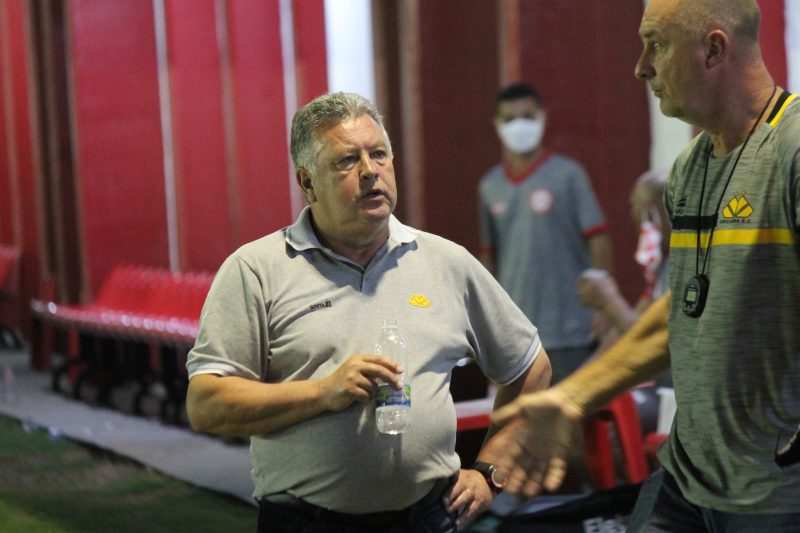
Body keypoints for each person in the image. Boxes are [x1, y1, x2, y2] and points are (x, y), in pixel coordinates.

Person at [494, 0, 800, 530]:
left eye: (656, 43)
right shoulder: (688, 170)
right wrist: (571, 397)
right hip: (687, 478)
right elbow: (679, 313)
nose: (641, 66)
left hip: (775, 493)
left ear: (713, 48)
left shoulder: (791, 151)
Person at [185, 92, 552, 532]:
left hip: (431, 519)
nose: (369, 171)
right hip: (307, 523)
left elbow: (531, 368)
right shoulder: (257, 270)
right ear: (307, 183)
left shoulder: (446, 262)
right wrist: (323, 392)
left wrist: (491, 471)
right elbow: (207, 404)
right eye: (346, 161)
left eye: (379, 155)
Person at [478, 83, 613, 384]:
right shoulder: (489, 186)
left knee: (574, 424)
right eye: (510, 119)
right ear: (497, 125)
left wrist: (603, 307)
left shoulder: (568, 175)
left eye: (527, 116)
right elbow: (488, 258)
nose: (519, 125)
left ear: (541, 118)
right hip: (517, 335)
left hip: (572, 329)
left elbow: (599, 239)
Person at [577, 168, 670, 350]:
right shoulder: (662, 266)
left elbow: (652, 346)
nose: (632, 215)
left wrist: (609, 301)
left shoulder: (682, 267)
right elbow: (636, 322)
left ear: (649, 210)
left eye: (633, 206)